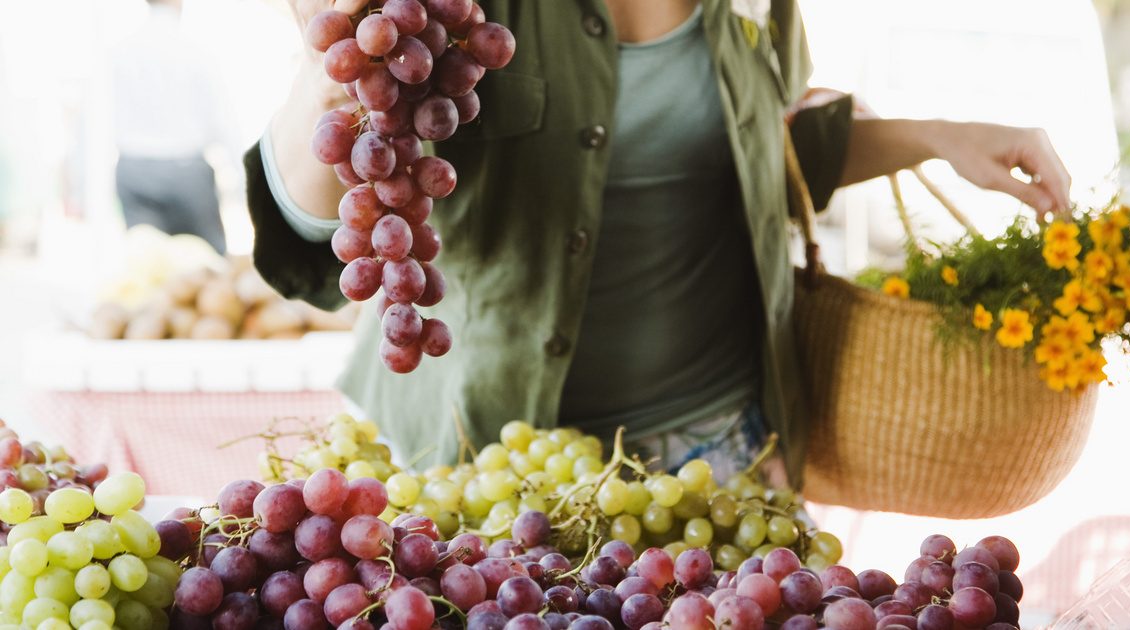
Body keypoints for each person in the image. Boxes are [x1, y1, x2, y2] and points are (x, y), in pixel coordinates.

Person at [245, 0, 1072, 482]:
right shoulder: (466, 9)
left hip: (721, 450)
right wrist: (342, 63)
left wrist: (937, 135)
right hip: (480, 467)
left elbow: (760, 149)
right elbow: (315, 224)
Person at [113, 0, 229, 254]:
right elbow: (221, 119)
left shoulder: (121, 49)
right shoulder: (195, 49)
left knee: (147, 266)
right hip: (186, 170)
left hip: (134, 167)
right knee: (209, 266)